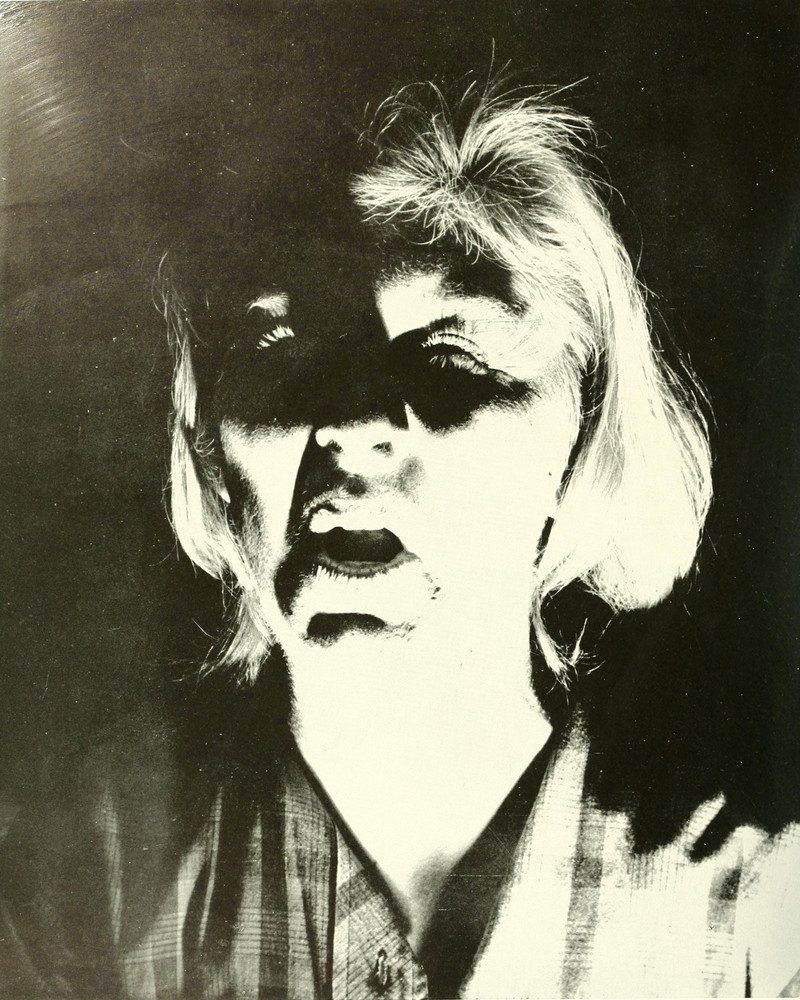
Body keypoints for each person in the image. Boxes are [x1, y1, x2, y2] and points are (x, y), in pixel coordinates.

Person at [2, 82, 799, 999]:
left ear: (581, 443)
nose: (354, 420)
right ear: (206, 443)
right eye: (279, 345)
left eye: (449, 357)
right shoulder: (80, 884)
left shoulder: (756, 923)